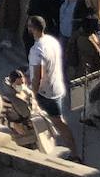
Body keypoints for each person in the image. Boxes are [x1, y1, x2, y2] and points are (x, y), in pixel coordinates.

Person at [27, 15, 76, 153]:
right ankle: (74, 152)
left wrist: (33, 95)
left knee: (50, 122)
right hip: (57, 87)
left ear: (32, 29)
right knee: (57, 122)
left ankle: (71, 153)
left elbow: (38, 76)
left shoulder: (36, 50)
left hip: (45, 93)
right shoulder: (52, 41)